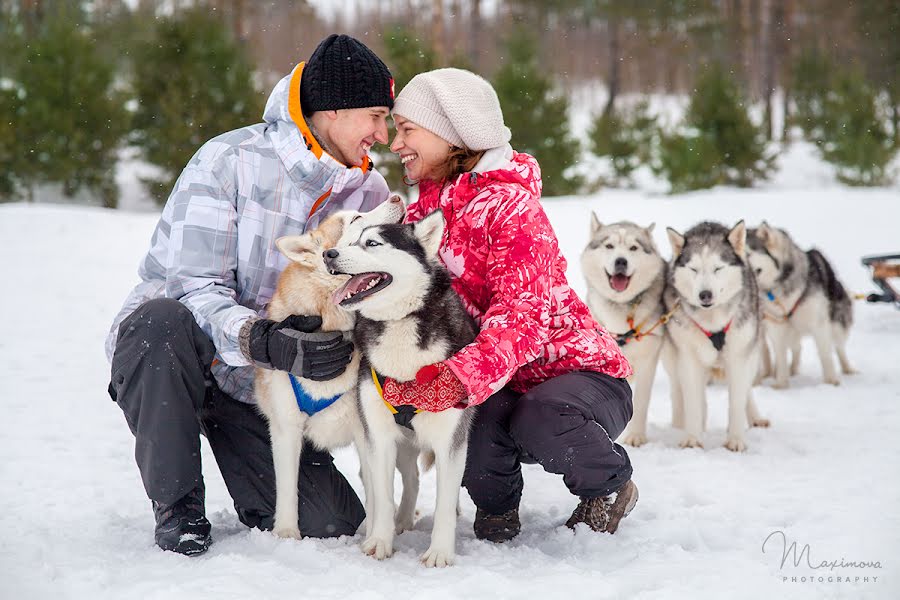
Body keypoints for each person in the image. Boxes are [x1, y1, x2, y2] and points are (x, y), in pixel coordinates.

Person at [105, 34, 395, 556]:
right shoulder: (228, 160)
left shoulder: (367, 195)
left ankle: (248, 458)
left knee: (329, 524)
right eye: (375, 115)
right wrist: (262, 339)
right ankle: (178, 507)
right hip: (180, 355)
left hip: (261, 391)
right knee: (159, 323)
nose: (384, 132)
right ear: (333, 110)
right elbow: (189, 285)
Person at [381, 68, 637, 543]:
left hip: (578, 376)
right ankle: (497, 508)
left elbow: (522, 319)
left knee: (540, 415)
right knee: (473, 423)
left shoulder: (513, 209)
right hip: (499, 378)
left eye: (407, 129)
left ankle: (608, 486)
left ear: (452, 134)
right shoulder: (423, 214)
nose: (396, 144)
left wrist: (457, 377)